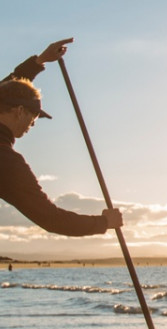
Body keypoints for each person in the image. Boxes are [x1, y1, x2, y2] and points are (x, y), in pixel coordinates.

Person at [1, 39, 123, 237]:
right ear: (19, 111)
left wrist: (40, 61)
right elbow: (52, 219)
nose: (33, 124)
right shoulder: (7, 162)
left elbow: (5, 90)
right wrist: (104, 222)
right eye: (33, 116)